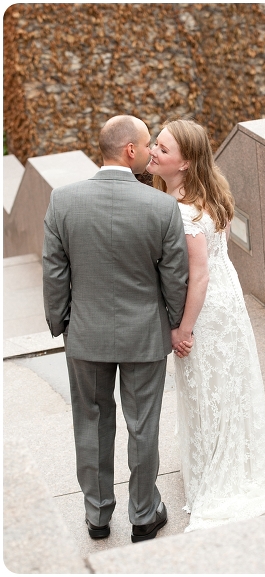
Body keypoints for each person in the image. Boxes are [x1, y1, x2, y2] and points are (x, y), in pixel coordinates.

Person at [145, 118, 265, 532]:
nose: (152, 150)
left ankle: (221, 475)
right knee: (224, 387)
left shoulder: (183, 211)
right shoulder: (206, 195)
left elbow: (197, 276)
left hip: (206, 310)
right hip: (226, 301)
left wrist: (183, 328)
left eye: (162, 149)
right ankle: (226, 462)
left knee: (209, 389)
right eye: (154, 144)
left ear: (184, 164)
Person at [43, 115, 188, 543]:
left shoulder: (63, 201)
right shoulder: (161, 206)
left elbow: (55, 273)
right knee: (144, 425)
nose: (150, 152)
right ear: (129, 151)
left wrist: (62, 323)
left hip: (85, 334)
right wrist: (173, 323)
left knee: (90, 421)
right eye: (147, 145)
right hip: (144, 334)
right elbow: (175, 278)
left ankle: (98, 516)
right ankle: (144, 514)